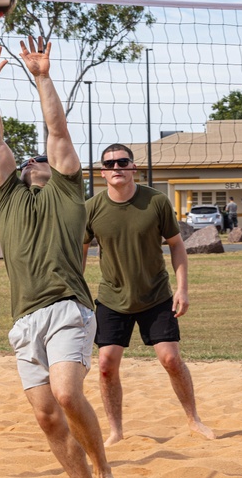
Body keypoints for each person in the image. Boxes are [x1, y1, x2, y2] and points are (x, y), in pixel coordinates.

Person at [0, 37, 123, 478]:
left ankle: (104, 469)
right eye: (29, 159)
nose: (36, 161)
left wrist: (42, 77)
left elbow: (58, 132)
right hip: (23, 321)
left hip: (66, 310)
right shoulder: (7, 198)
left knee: (66, 393)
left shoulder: (67, 192)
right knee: (45, 417)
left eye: (42, 159)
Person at [83, 144, 214, 446]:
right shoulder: (92, 208)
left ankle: (193, 420)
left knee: (170, 359)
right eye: (109, 164)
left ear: (133, 168)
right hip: (112, 297)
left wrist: (182, 289)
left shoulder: (156, 201)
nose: (116, 168)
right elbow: (81, 250)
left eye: (122, 162)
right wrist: (78, 294)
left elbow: (177, 245)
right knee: (105, 364)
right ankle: (116, 431)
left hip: (155, 295)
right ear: (102, 173)